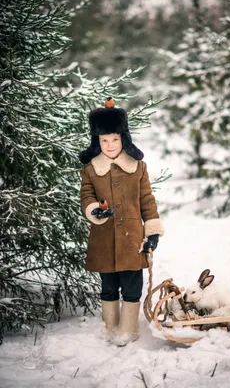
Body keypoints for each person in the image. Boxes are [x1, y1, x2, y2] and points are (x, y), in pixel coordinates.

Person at [79, 98, 163, 346]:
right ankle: (110, 325)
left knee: (132, 283)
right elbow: (86, 195)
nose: (110, 145)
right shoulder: (91, 168)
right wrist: (95, 210)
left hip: (132, 237)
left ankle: (128, 328)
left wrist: (153, 231)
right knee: (108, 284)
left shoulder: (137, 166)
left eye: (114, 139)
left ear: (123, 138)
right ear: (97, 141)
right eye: (104, 140)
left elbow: (147, 199)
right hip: (103, 236)